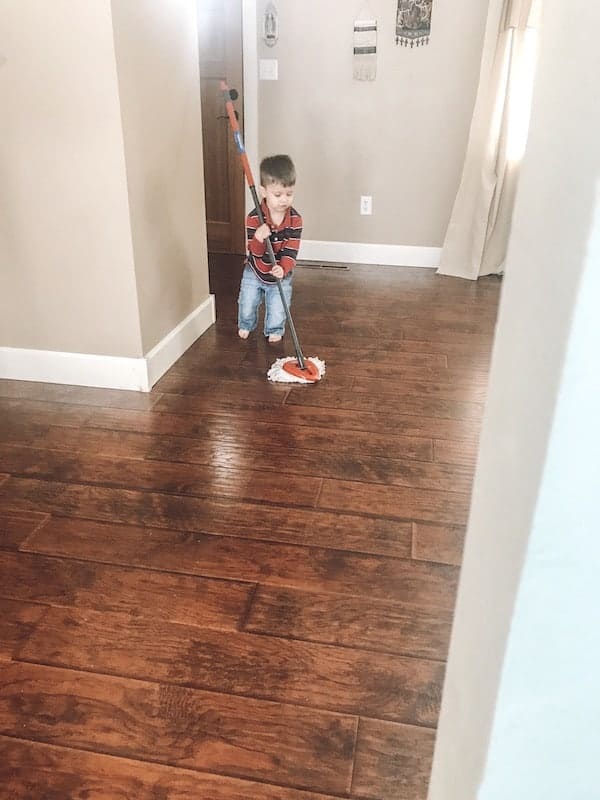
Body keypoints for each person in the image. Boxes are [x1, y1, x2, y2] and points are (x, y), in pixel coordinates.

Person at [238, 154, 303, 343]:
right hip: (255, 269)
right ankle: (246, 324)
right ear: (263, 192)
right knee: (247, 303)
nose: (284, 200)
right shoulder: (253, 218)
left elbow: (292, 249)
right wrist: (258, 236)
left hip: (279, 272)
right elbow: (255, 252)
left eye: (289, 194)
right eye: (278, 195)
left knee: (278, 306)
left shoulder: (295, 220)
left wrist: (283, 268)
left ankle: (274, 329)